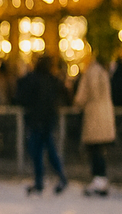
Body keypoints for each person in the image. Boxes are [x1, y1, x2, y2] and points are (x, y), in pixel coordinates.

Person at [15, 55, 69, 195]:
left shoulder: (33, 79)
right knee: (48, 150)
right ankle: (58, 176)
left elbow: (21, 97)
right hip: (48, 121)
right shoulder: (52, 80)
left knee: (38, 151)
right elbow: (65, 94)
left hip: (36, 121)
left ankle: (42, 180)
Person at [73, 51, 116, 196]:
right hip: (105, 114)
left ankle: (99, 180)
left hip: (93, 115)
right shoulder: (103, 72)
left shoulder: (90, 73)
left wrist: (76, 103)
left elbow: (82, 96)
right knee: (100, 149)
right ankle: (101, 180)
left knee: (94, 150)